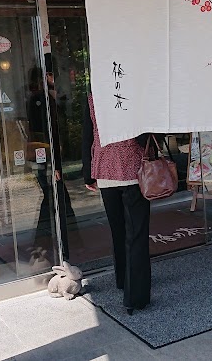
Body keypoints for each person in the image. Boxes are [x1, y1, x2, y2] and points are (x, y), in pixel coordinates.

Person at [82, 94, 153, 315]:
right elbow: (145, 134)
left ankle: (123, 280)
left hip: (104, 171)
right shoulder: (134, 93)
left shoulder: (93, 96)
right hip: (134, 171)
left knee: (118, 231)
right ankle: (135, 297)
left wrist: (88, 174)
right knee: (137, 235)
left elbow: (87, 135)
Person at [28, 61, 75, 261]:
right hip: (47, 155)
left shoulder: (41, 99)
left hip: (45, 155)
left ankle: (58, 240)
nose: (54, 79)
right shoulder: (41, 100)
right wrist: (55, 161)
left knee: (55, 197)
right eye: (50, 75)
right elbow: (49, 131)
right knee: (53, 197)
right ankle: (47, 242)